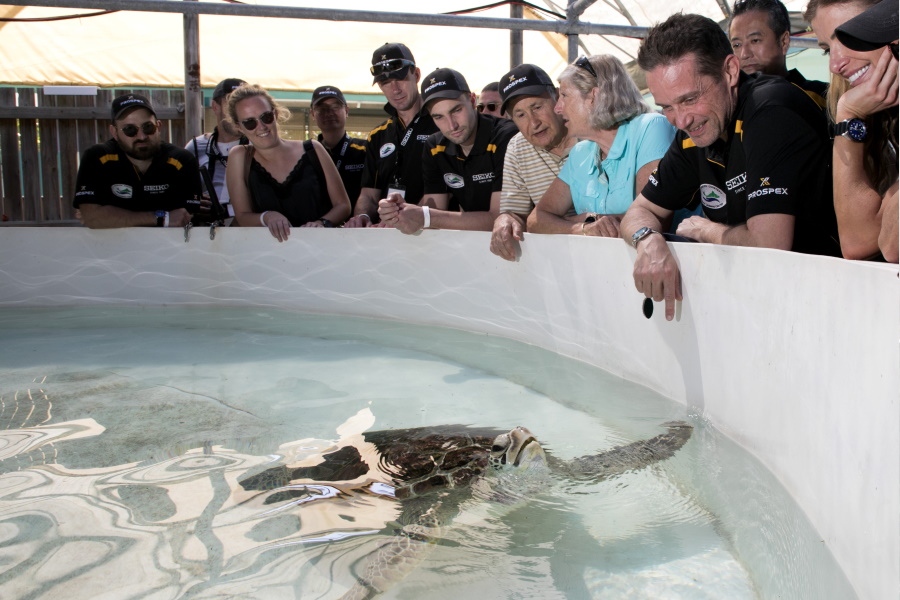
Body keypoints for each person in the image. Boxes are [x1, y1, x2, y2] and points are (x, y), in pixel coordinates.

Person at [619, 13, 840, 320]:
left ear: (730, 71)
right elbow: (638, 212)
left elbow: (769, 245)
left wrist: (706, 229)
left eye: (690, 99)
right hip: (773, 303)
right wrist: (648, 239)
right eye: (667, 107)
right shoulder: (693, 132)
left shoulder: (770, 109)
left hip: (833, 302)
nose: (681, 120)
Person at [529, 55, 676, 240]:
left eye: (564, 96)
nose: (558, 108)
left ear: (594, 96)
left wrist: (585, 222)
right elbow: (535, 220)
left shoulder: (651, 127)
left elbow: (653, 219)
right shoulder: (580, 152)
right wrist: (582, 227)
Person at [806, 0, 899, 261]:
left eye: (850, 38)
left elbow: (892, 244)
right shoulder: (868, 113)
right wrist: (848, 115)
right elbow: (857, 243)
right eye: (827, 50)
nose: (835, 66)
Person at [377, 68, 518, 233]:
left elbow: (500, 219)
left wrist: (424, 216)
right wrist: (400, 211)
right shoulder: (435, 146)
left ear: (473, 101)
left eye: (456, 110)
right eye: (439, 117)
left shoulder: (505, 136)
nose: (452, 125)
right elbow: (433, 211)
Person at [224, 84, 350, 242]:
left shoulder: (313, 149)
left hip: (319, 249)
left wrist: (321, 223)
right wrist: (266, 217)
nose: (261, 126)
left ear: (275, 114)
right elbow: (242, 216)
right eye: (250, 123)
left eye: (266, 117)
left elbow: (343, 205)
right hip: (266, 255)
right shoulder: (239, 156)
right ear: (239, 127)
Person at [343, 43, 438, 228]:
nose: (395, 89)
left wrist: (405, 219)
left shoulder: (442, 124)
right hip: (388, 234)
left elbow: (447, 187)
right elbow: (369, 194)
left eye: (400, 78)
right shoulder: (378, 135)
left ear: (416, 75)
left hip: (432, 231)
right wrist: (362, 215)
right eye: (385, 83)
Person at [489, 64, 577, 261]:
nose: (533, 122)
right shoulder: (517, 147)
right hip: (557, 259)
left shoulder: (587, 132)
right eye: (520, 115)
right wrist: (504, 219)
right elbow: (515, 213)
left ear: (556, 96)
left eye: (537, 107)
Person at [73, 94, 201, 229]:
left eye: (148, 127)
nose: (142, 136)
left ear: (158, 126)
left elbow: (185, 218)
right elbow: (93, 218)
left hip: (167, 246)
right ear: (114, 132)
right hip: (112, 247)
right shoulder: (97, 157)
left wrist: (114, 214)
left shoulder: (182, 160)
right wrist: (163, 217)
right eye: (130, 130)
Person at [729, 0, 828, 106]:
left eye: (755, 40)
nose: (745, 54)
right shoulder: (730, 109)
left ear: (784, 42)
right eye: (737, 45)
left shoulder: (825, 98)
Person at [186, 78, 247, 223]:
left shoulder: (259, 146)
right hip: (205, 234)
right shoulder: (195, 146)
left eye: (243, 105)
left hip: (246, 231)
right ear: (215, 106)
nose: (237, 112)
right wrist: (194, 203)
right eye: (231, 103)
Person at [310, 85, 367, 214]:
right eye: (322, 108)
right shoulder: (307, 153)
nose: (329, 113)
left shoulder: (366, 149)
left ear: (346, 110)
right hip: (317, 228)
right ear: (313, 114)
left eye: (335, 107)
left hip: (358, 227)